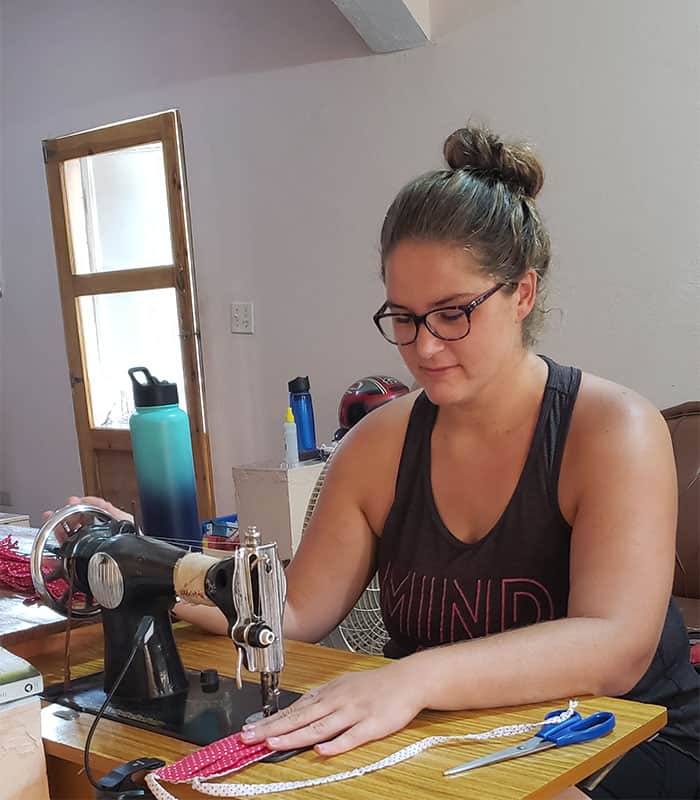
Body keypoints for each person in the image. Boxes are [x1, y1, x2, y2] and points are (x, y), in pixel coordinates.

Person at [54, 125, 699, 799]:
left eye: (453, 313)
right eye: (403, 317)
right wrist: (137, 562)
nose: (423, 346)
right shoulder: (379, 445)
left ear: (523, 294)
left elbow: (614, 647)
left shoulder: (612, 431)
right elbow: (295, 608)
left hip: (621, 737)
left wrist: (410, 677)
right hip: (443, 733)